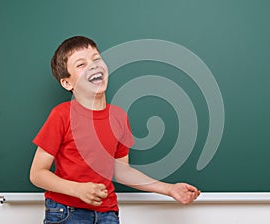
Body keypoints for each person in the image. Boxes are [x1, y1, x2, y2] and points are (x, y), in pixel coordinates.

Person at [30, 35, 200, 224]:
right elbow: (37, 173)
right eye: (81, 64)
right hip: (66, 212)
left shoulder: (119, 118)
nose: (93, 66)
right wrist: (77, 190)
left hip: (107, 213)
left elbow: (121, 171)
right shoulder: (61, 115)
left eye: (96, 59)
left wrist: (169, 189)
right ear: (67, 83)